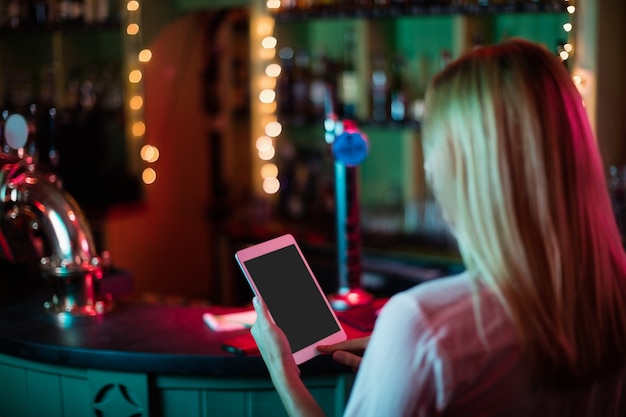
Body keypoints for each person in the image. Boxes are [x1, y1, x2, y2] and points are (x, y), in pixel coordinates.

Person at [250, 38, 626, 416]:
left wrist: (283, 371)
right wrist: (402, 365)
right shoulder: (613, 293)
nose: (428, 167)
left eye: (433, 143)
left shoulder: (423, 322)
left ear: (470, 165)